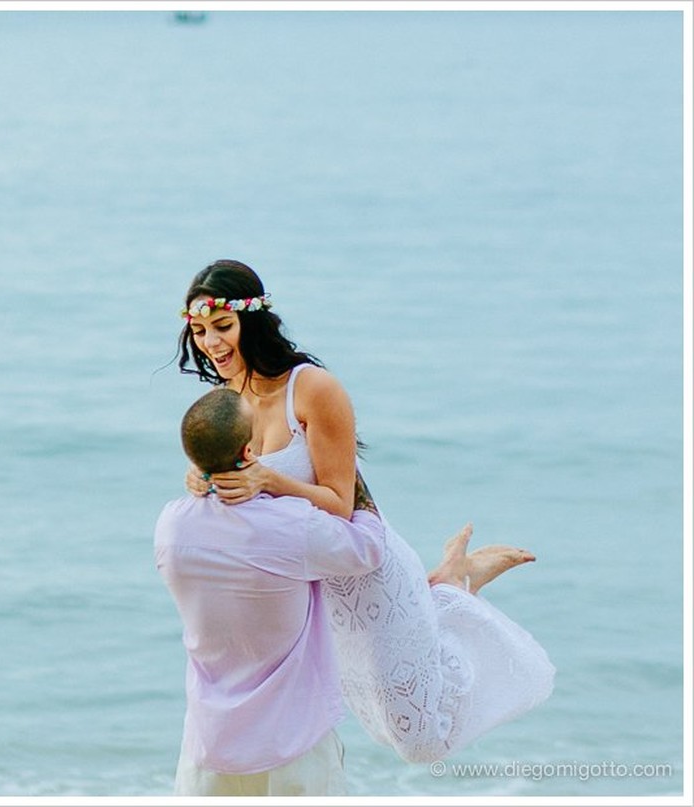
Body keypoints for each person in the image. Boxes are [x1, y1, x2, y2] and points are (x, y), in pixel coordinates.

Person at [176, 259, 555, 764]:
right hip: (314, 586)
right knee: (374, 722)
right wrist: (201, 481)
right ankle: (445, 583)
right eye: (199, 331)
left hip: (368, 566)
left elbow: (340, 504)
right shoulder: (225, 399)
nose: (211, 343)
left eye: (222, 327)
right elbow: (243, 499)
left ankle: (457, 585)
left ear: (254, 320)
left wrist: (270, 479)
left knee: (421, 738)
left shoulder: (311, 389)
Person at [154, 387, 388, 796]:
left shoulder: (171, 527)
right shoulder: (291, 527)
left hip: (208, 748)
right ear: (249, 452)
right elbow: (368, 545)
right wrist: (337, 472)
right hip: (293, 745)